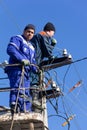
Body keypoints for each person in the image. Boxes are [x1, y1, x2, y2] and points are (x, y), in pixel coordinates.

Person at [5, 24, 37, 115]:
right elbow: (11, 49)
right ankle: (14, 106)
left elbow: (32, 61)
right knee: (17, 87)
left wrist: (36, 70)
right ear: (24, 31)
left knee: (26, 92)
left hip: (26, 72)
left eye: (32, 33)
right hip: (16, 68)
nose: (30, 34)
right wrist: (21, 59)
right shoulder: (17, 38)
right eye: (28, 32)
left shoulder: (32, 47)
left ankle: (26, 111)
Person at [30, 22, 57, 86]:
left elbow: (45, 51)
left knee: (34, 75)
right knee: (34, 78)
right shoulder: (43, 35)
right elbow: (47, 51)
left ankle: (35, 86)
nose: (53, 35)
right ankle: (34, 86)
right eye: (53, 33)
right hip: (35, 59)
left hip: (33, 58)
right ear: (49, 31)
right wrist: (52, 45)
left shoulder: (38, 35)